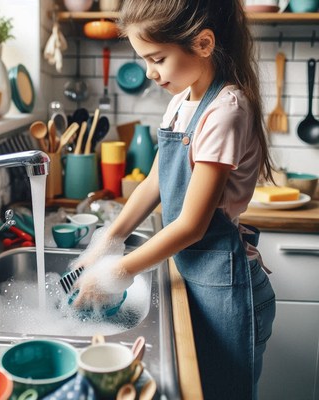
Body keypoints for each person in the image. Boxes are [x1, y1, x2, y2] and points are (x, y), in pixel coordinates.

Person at [71, 0, 276, 398]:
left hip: (227, 285)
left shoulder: (225, 111)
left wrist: (118, 271)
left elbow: (191, 225)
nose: (150, 72)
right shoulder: (181, 102)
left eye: (157, 58)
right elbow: (153, 184)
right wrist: (107, 243)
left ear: (202, 44)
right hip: (198, 275)